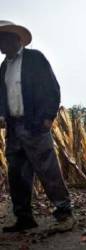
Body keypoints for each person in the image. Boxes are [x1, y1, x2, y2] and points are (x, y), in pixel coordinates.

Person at [0, 20, 75, 233]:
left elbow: (52, 88)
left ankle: (65, 214)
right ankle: (24, 218)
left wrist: (47, 118)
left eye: (2, 39)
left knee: (48, 171)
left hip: (35, 126)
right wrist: (2, 115)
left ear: (15, 38)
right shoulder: (4, 66)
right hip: (14, 130)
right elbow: (2, 97)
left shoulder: (35, 59)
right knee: (17, 175)